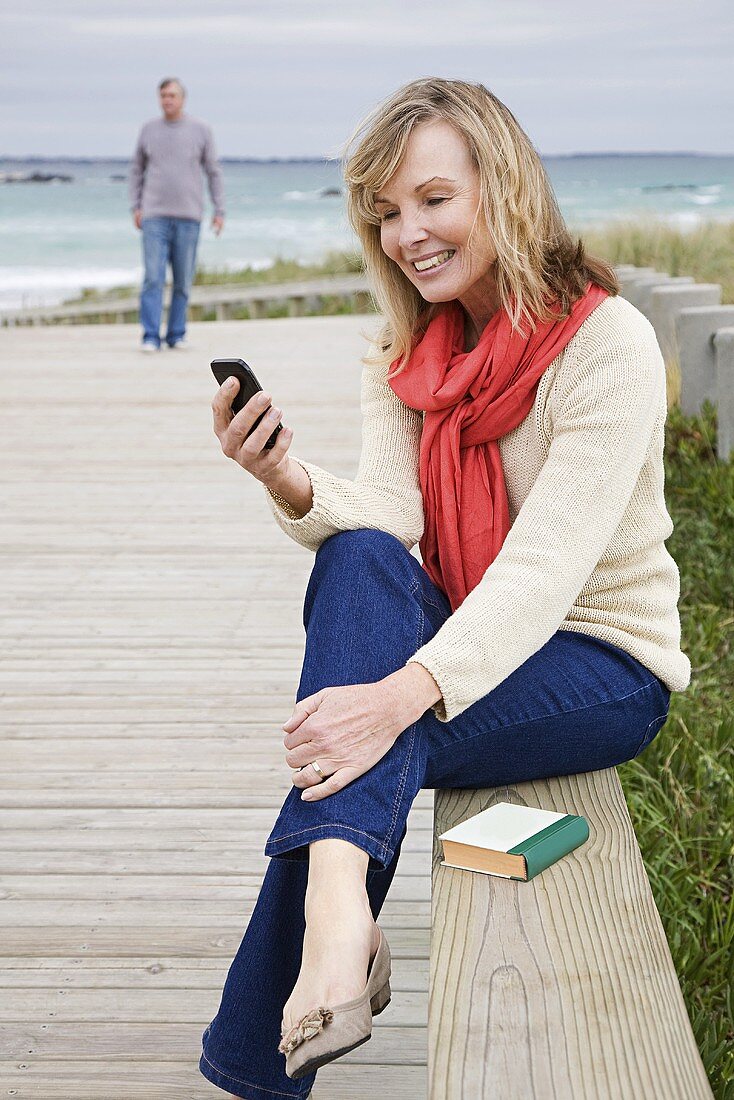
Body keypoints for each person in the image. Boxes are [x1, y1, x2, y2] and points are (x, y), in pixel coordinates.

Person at [199, 78, 690, 1099]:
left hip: (598, 658)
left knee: (356, 731)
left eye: (430, 199)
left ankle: (275, 1032)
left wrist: (390, 696)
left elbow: (541, 572)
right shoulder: (401, 353)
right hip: (464, 632)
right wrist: (283, 477)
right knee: (356, 563)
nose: (405, 234)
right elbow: (391, 526)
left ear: (499, 188)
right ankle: (341, 920)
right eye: (383, 210)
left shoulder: (606, 347)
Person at [128, 77, 225, 352]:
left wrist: (219, 210)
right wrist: (136, 206)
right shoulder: (148, 130)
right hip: (154, 216)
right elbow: (136, 170)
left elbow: (213, 172)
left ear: (182, 98)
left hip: (189, 216)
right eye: (163, 96)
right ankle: (149, 335)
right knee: (153, 278)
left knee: (182, 280)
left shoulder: (201, 130)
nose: (167, 100)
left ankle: (176, 334)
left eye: (172, 95)